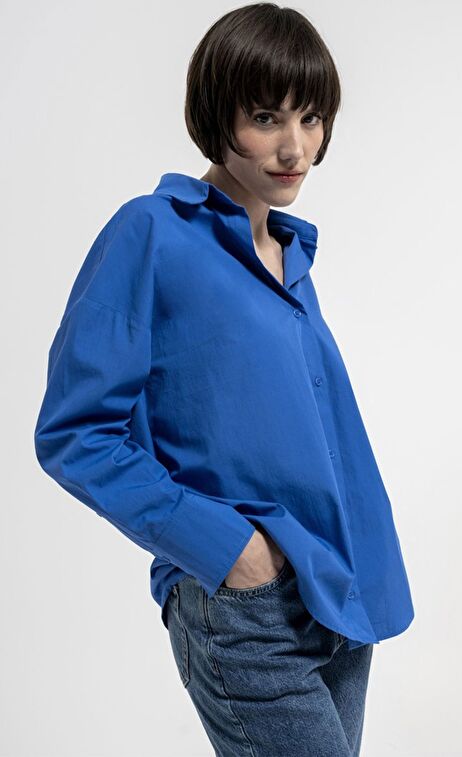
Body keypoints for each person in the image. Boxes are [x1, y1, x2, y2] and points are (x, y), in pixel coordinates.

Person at [34, 3, 414, 755]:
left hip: (338, 596)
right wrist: (228, 547)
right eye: (266, 118)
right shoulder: (152, 231)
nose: (294, 147)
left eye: (311, 118)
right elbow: (75, 434)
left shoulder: (290, 256)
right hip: (244, 605)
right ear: (217, 115)